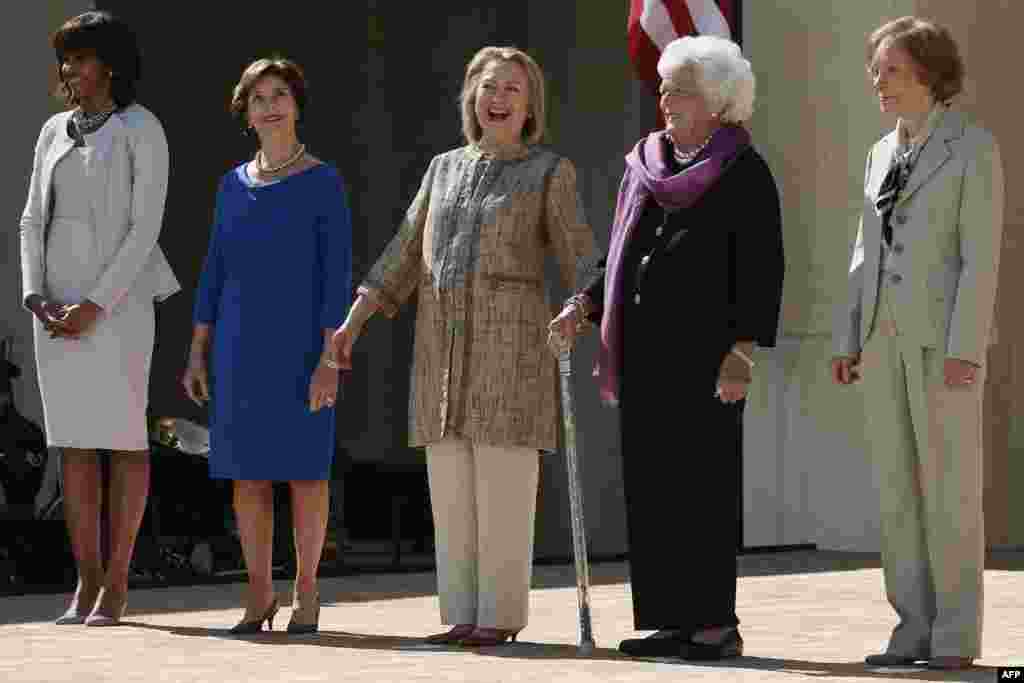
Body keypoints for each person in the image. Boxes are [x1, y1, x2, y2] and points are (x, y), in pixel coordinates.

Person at [331, 46, 597, 647]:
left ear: (529, 107)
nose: (498, 99)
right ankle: (460, 615)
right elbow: (402, 253)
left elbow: (583, 255)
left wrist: (580, 307)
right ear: (471, 99)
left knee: (502, 492)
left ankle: (498, 618)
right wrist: (352, 325)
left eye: (512, 90)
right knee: (451, 493)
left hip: (511, 358)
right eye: (488, 88)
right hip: (439, 358)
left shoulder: (550, 172)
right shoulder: (442, 168)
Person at [550, 35, 783, 660]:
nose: (665, 98)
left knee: (701, 488)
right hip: (645, 354)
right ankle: (669, 618)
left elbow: (762, 268)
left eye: (679, 88)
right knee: (651, 487)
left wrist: (742, 350)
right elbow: (618, 254)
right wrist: (585, 304)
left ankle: (712, 622)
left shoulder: (743, 169)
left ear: (717, 100)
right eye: (663, 87)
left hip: (706, 359)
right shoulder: (648, 164)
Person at [831, 17, 1003, 671]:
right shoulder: (879, 153)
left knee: (949, 493)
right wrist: (852, 335)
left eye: (891, 69)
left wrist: (967, 348)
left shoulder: (972, 147)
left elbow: (979, 255)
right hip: (882, 348)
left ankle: (955, 637)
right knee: (898, 495)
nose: (878, 80)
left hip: (943, 349)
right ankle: (912, 630)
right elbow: (862, 253)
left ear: (929, 73)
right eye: (876, 69)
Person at [19, 11, 180, 626]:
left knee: (121, 439)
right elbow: (32, 219)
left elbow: (145, 229)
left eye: (81, 57)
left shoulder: (144, 128)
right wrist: (36, 295)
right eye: (65, 58)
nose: (70, 70)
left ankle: (116, 584)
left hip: (118, 308)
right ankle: (84, 584)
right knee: (74, 446)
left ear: (109, 63)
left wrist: (96, 305)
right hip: (55, 310)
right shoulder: (50, 131)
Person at [183, 57, 352, 635]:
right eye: (258, 98)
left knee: (306, 473)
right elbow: (214, 269)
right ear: (246, 113)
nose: (270, 105)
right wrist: (198, 348)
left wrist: (330, 360)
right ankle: (259, 596)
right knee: (247, 476)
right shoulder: (231, 185)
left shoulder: (324, 181)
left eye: (280, 94)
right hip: (237, 349)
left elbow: (337, 278)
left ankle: (307, 593)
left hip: (304, 349)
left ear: (297, 104)